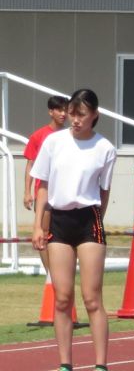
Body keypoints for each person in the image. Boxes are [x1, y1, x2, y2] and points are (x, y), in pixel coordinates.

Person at [30, 89, 116, 371]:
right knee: (63, 296)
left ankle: (101, 366)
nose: (75, 119)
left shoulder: (105, 147)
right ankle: (65, 364)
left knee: (92, 298)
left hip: (88, 218)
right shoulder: (53, 142)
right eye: (72, 112)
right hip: (59, 218)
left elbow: (104, 191)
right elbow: (43, 185)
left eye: (81, 114)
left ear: (94, 115)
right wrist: (39, 225)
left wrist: (98, 222)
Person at [23, 94, 68, 274]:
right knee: (44, 232)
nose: (63, 113)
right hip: (45, 192)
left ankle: (60, 273)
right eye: (59, 109)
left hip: (65, 193)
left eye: (66, 109)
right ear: (51, 112)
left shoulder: (72, 135)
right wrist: (27, 191)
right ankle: (51, 275)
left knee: (63, 235)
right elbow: (30, 164)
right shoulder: (39, 136)